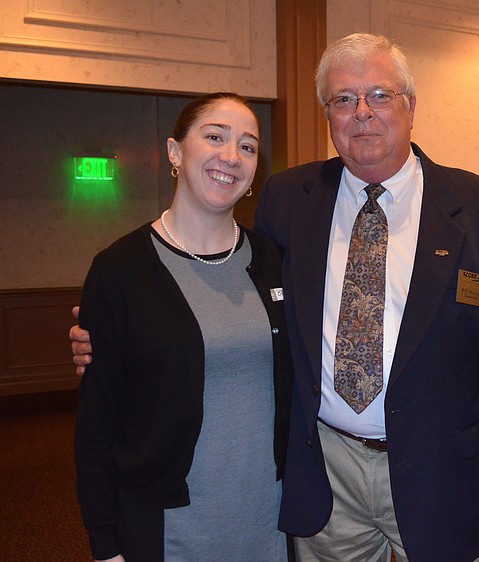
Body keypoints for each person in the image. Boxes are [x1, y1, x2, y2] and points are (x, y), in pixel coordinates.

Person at [72, 34, 479, 562]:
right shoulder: (289, 199)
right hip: (324, 469)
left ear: (411, 106)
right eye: (342, 99)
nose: (361, 112)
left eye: (379, 95)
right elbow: (239, 307)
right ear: (328, 116)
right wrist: (104, 338)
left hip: (442, 473)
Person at [73, 92, 293, 561]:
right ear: (175, 152)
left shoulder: (276, 262)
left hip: (269, 518)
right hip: (170, 524)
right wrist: (104, 541)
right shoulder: (120, 271)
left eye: (248, 146)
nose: (231, 156)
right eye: (215, 136)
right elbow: (97, 422)